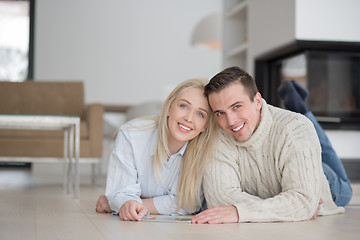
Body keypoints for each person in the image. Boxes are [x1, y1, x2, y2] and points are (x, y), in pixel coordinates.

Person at [191, 66, 347, 224]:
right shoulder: (219, 136)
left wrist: (240, 211)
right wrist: (288, 208)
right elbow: (220, 200)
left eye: (236, 107)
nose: (230, 121)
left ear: (257, 101)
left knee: (342, 182)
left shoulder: (295, 128)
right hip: (283, 165)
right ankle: (302, 110)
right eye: (220, 113)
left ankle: (304, 112)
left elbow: (303, 200)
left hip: (327, 181)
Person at [96, 78, 217, 221]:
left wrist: (124, 204)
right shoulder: (131, 134)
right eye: (184, 106)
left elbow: (187, 203)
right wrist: (125, 203)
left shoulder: (206, 150)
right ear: (169, 107)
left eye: (200, 114)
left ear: (205, 126)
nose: (189, 118)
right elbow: (121, 191)